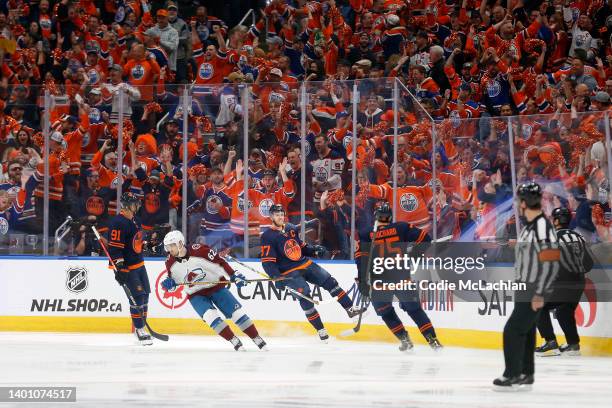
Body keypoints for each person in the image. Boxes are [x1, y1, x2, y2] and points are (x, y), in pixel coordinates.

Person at [493, 182, 560, 390]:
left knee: (512, 330)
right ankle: (525, 373)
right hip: (525, 287)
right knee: (527, 331)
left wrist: (541, 292)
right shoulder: (530, 227)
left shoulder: (542, 227)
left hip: (534, 289)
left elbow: (551, 263)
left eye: (518, 201)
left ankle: (511, 374)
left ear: (523, 202)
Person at [260, 204, 360, 342]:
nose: (280, 217)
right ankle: (321, 330)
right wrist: (276, 277)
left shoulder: (290, 228)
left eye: (281, 214)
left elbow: (300, 246)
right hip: (289, 272)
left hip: (304, 263)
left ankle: (351, 309)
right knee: (305, 295)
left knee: (330, 282)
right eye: (277, 215)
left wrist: (313, 250)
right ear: (271, 217)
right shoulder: (267, 236)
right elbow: (267, 261)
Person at [355, 202, 443, 352]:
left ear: (375, 216)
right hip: (401, 278)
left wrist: (363, 281)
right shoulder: (401, 227)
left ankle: (405, 340)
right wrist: (413, 254)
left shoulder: (366, 234)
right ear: (390, 216)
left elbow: (361, 259)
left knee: (385, 311)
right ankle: (433, 341)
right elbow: (426, 240)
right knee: (414, 310)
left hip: (379, 282)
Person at [161, 230, 267, 351]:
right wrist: (170, 285)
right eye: (167, 247)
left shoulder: (200, 250)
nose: (169, 249)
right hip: (195, 294)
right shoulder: (169, 262)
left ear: (180, 243)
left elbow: (220, 262)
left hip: (215, 286)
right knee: (211, 317)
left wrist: (234, 275)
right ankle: (233, 340)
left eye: (172, 246)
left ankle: (256, 338)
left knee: (237, 314)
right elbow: (174, 280)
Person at [535, 207, 593, 357]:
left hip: (561, 282)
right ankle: (573, 344)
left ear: (555, 221)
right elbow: (589, 263)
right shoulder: (579, 236)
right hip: (579, 282)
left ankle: (550, 342)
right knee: (564, 311)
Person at [107, 192, 152, 346]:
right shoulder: (118, 223)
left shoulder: (135, 220)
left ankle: (142, 325)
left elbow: (137, 241)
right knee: (137, 298)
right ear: (127, 206)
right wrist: (119, 266)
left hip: (140, 264)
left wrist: (148, 244)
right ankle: (139, 329)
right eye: (135, 203)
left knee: (145, 296)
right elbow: (114, 248)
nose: (137, 206)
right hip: (129, 267)